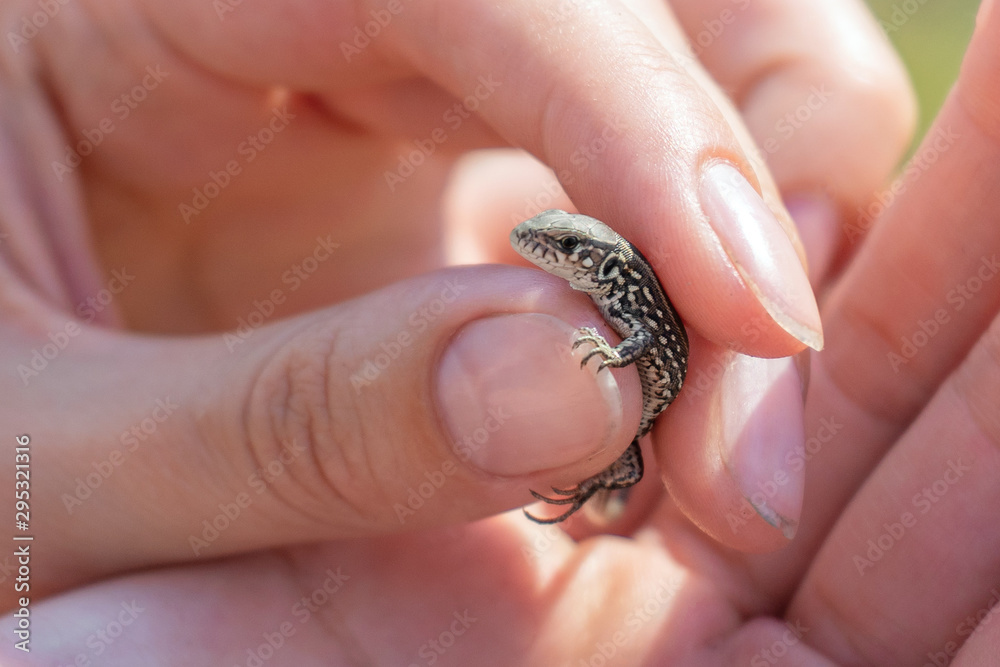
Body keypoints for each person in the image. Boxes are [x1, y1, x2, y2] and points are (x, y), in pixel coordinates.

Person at [1, 0, 997, 663]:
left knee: (605, 451)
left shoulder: (613, 292)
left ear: (587, 260)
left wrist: (610, 356)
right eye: (549, 241)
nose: (537, 246)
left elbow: (647, 348)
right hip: (636, 435)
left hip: (645, 408)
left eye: (556, 244)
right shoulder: (598, 283)